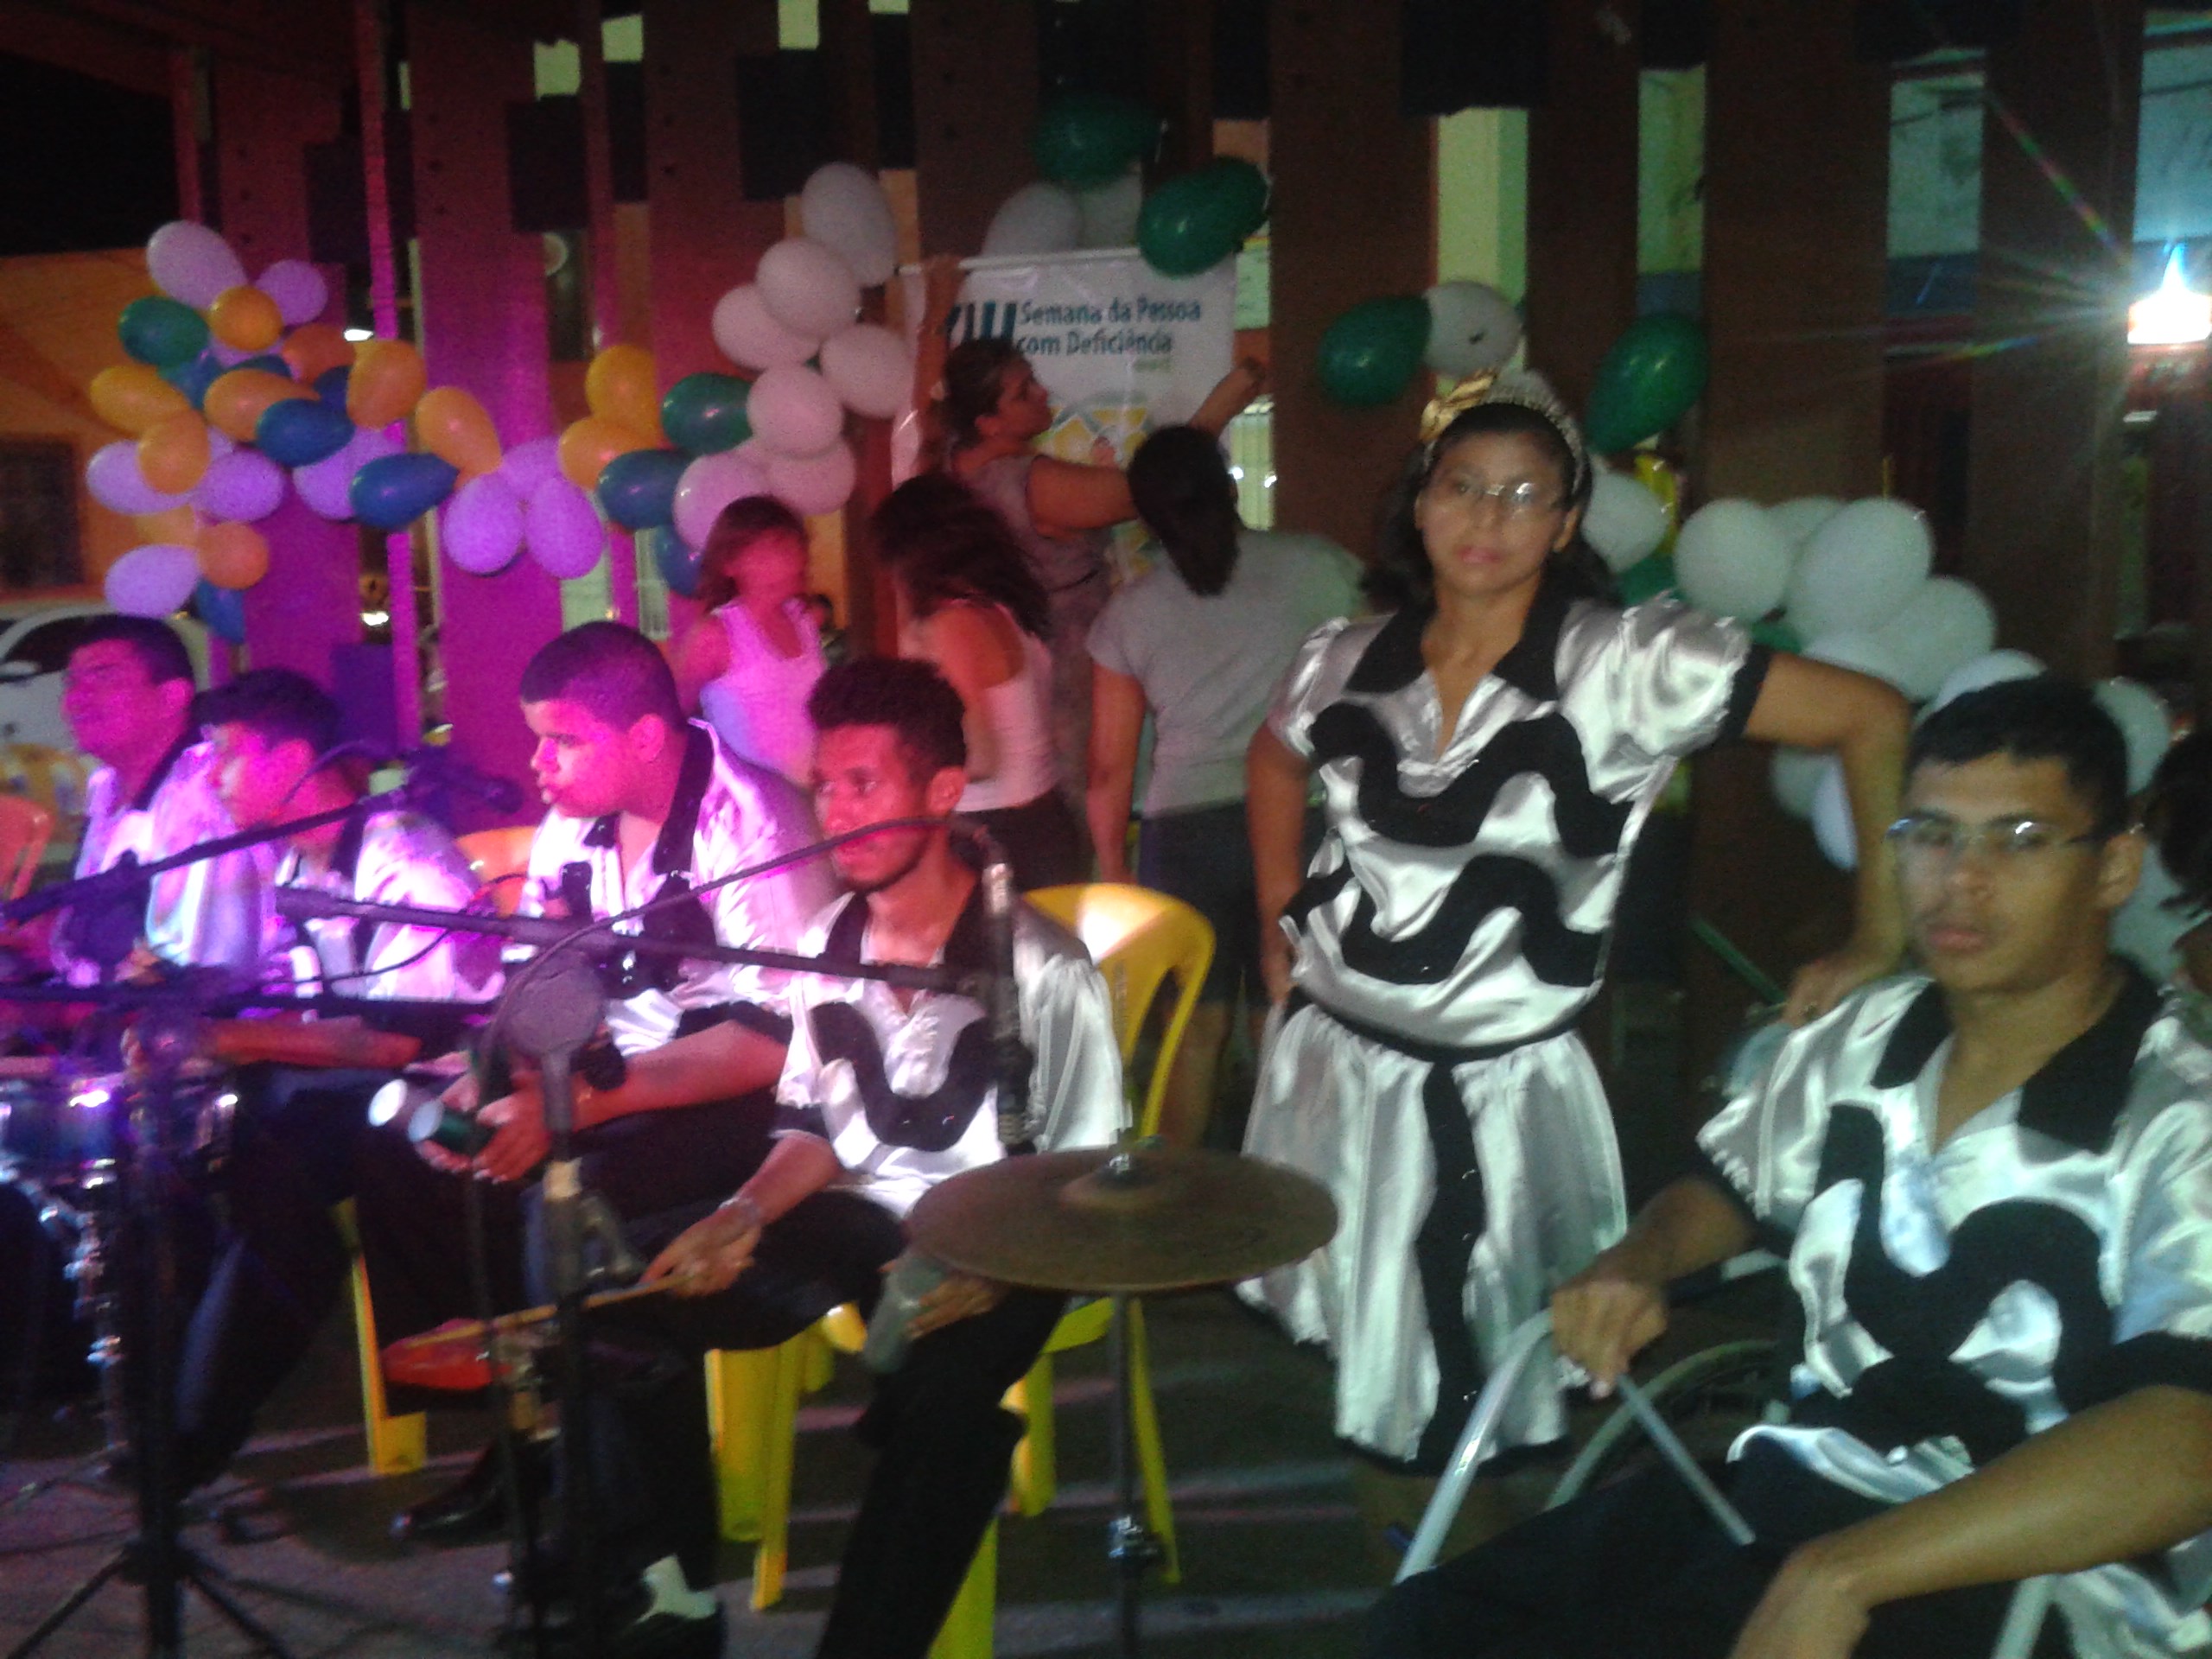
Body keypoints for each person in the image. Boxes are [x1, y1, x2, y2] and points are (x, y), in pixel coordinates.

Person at [1371, 675, 2212, 1659]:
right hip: (1797, 1491)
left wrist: (1845, 1572)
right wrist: (1640, 1260)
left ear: (2113, 868)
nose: (1961, 879)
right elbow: (1727, 1188)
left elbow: (2188, 1440)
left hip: (2035, 1570)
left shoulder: (2177, 1112)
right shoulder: (1861, 1038)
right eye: (1930, 835)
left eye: (2019, 841)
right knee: (1429, 1626)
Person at [1238, 369, 1912, 1478]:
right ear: (1421, 503)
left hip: (1495, 1090)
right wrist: (1275, 911)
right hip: (1333, 1063)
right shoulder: (1342, 657)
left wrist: (1880, 936)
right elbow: (1273, 758)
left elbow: (1870, 715)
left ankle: (1454, 1553)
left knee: (1472, 1384)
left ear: (1562, 525)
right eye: (1463, 486)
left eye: (1523, 496)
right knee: (1362, 1339)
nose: (1488, 517)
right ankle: (1402, 1539)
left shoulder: (1630, 663)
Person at [559, 656, 1123, 1659]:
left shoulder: (1043, 966)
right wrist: (738, 1216)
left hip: (1004, 1238)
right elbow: (813, 1129)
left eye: (865, 784)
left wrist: (999, 1270)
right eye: (825, 785)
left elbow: (1085, 1182)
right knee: (621, 1299)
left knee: (944, 1408)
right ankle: (671, 1590)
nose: (836, 811)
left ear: (941, 794)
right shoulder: (824, 939)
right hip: (864, 1218)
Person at [353, 621, 834, 1542]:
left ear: (646, 736)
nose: (540, 763)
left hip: (742, 1092)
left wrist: (568, 1107)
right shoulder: (573, 818)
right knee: (405, 1154)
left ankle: (633, 1534)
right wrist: (493, 1078)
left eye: (564, 740)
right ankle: (523, 1431)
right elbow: (542, 984)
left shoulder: (752, 821)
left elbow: (774, 1044)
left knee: (575, 1205)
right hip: (610, 1075)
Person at [161, 667, 503, 1488]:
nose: (211, 778)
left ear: (291, 759)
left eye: (226, 756)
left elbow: (398, 1044)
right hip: (369, 1095)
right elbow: (315, 1016)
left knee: (273, 1157)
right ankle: (185, 1416)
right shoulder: (297, 868)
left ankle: (191, 1431)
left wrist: (224, 1038)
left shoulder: (405, 865)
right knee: (215, 1140)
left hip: (457, 1102)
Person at [913, 253, 1268, 823]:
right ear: (989, 423)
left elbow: (929, 398)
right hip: (1065, 662)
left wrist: (937, 308)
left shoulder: (947, 459)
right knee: (1077, 789)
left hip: (997, 662)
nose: (1041, 392)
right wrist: (1221, 407)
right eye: (1023, 391)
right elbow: (1162, 484)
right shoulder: (1032, 485)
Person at [1086, 424, 1363, 1145]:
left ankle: (1179, 1197)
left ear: (1146, 517)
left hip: (1184, 835)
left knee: (1193, 1028)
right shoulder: (1320, 566)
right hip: (1301, 818)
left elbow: (1109, 767)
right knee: (1286, 1012)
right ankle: (1289, 1183)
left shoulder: (1129, 613)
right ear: (1229, 485)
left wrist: (1113, 866)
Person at [872, 473, 1087, 889]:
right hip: (1041, 820)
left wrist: (902, 777)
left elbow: (979, 758)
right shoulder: (1003, 611)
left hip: (994, 832)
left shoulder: (952, 625)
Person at [44, 615, 271, 988]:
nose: (75, 699)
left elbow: (201, 967)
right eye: (71, 682)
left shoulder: (206, 791)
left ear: (171, 697)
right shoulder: (105, 787)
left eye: (104, 677)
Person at [668, 495, 826, 787]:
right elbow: (671, 714)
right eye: (775, 549)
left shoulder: (804, 620)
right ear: (730, 564)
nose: (792, 559)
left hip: (814, 790)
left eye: (795, 546)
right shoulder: (716, 633)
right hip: (754, 802)